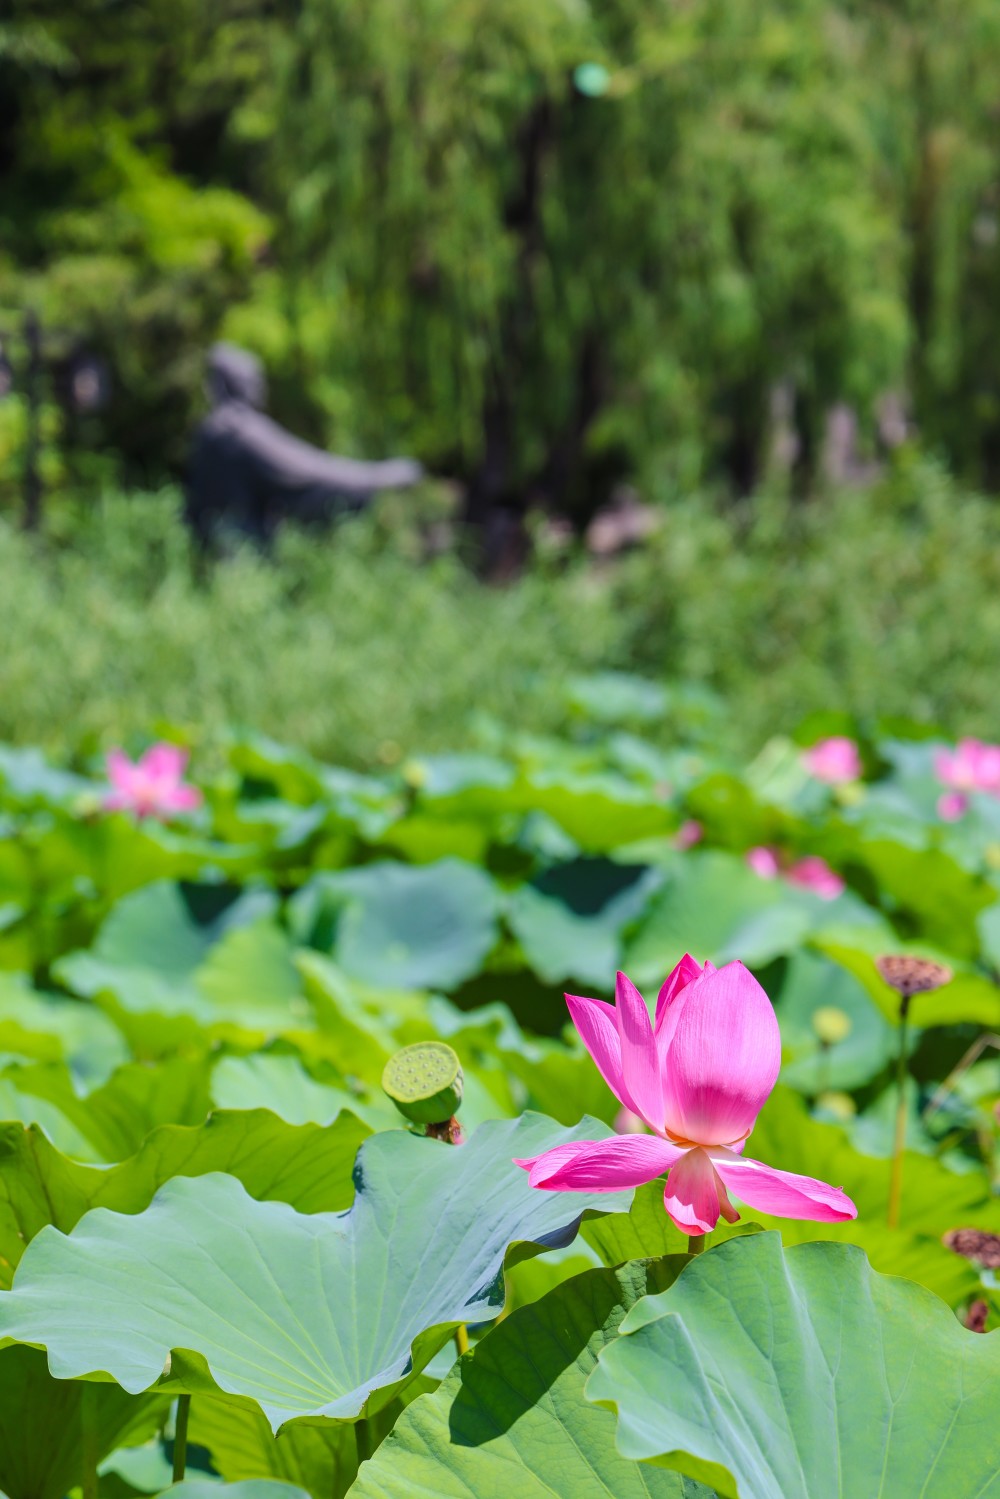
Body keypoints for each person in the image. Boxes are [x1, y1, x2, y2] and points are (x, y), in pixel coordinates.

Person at [186, 343, 422, 545]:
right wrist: (379, 476)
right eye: (252, 378)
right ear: (232, 382)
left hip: (216, 550)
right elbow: (309, 469)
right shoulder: (237, 430)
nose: (261, 386)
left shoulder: (214, 429)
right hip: (240, 559)